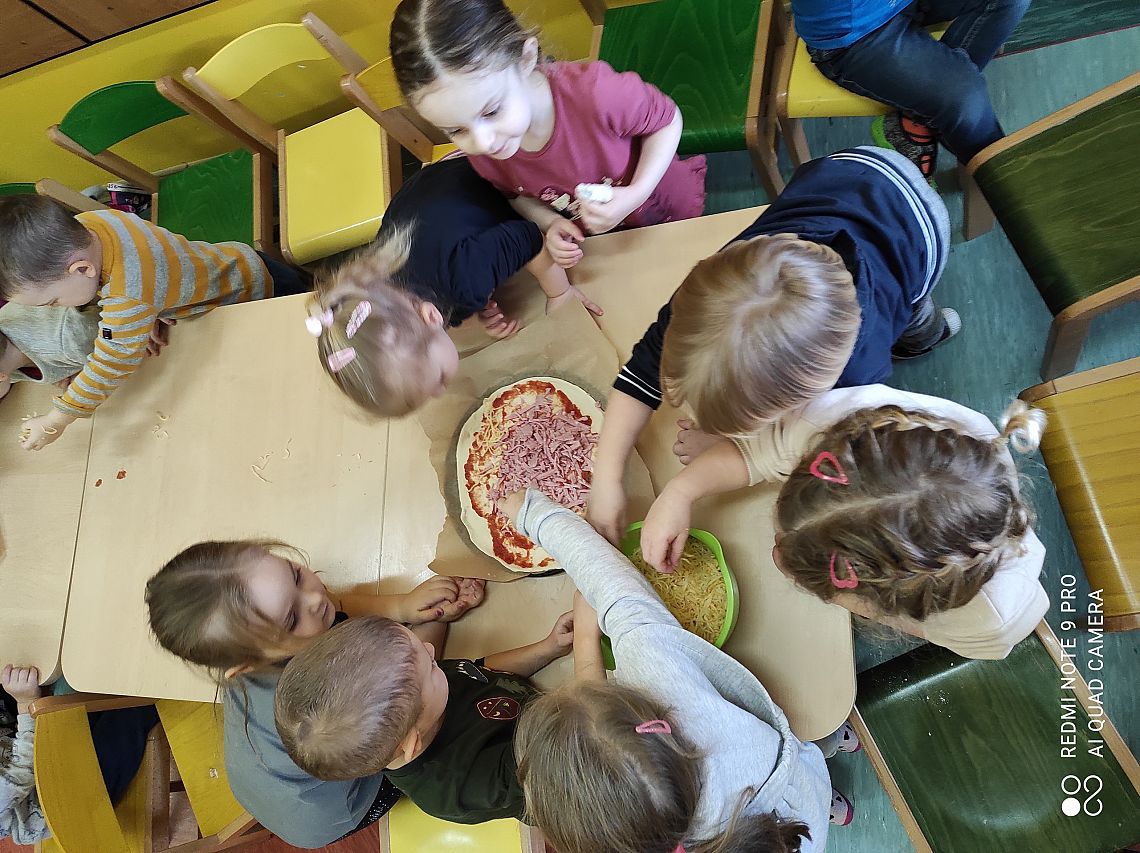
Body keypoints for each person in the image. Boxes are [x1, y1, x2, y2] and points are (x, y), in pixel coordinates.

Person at [588, 146, 959, 545]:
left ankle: (926, 332)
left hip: (920, 230)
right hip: (844, 171)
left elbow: (797, 443)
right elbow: (641, 373)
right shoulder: (710, 301)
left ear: (806, 396)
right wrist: (606, 476)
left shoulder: (859, 378)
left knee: (909, 310)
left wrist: (731, 445)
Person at [499, 488, 834, 853]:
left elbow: (609, 743)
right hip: (800, 793)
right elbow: (611, 582)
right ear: (655, 722)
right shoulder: (664, 680)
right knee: (824, 730)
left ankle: (835, 804)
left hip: (799, 833)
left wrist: (585, 650)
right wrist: (531, 514)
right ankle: (837, 750)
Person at [641, 389, 1049, 660]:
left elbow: (906, 621)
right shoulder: (834, 425)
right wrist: (680, 492)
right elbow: (758, 456)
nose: (777, 552)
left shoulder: (992, 620)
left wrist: (845, 601)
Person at [145, 539, 485, 848]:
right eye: (291, 618)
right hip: (332, 811)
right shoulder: (325, 694)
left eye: (294, 575)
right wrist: (436, 619)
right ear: (246, 664)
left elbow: (334, 606)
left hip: (266, 781)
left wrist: (402, 607)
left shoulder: (263, 636)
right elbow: (409, 692)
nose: (315, 598)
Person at [388, 0, 706, 271]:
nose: (482, 143)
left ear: (525, 58)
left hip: (663, 207)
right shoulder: (487, 148)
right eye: (455, 130)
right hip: (608, 242)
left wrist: (636, 193)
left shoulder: (595, 95)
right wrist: (550, 223)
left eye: (492, 111)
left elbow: (667, 120)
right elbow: (516, 195)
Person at [0, 196, 309, 450]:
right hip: (234, 263)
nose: (57, 309)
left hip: (254, 295)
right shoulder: (90, 225)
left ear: (82, 269)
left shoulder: (130, 294)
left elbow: (112, 360)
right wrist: (146, 311)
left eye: (53, 302)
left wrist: (57, 419)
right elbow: (141, 276)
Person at [274, 610, 574, 823]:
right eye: (430, 665)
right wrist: (586, 653)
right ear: (412, 741)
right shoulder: (461, 785)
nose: (432, 649)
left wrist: (549, 648)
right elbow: (574, 766)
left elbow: (480, 672)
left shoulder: (420, 690)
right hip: (568, 772)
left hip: (547, 716)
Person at [793, 0, 1030, 177]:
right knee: (965, 100)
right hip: (854, 34)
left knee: (959, 98)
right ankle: (1011, 189)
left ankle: (915, 120)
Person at [377, 155, 601, 340]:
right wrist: (478, 300)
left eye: (440, 374)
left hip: (497, 177)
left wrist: (560, 293)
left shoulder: (463, 279)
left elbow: (529, 238)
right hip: (436, 181)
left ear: (432, 317)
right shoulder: (377, 272)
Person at [1, 664, 158, 844]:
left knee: (75, 679)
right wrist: (26, 702)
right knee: (130, 714)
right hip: (71, 795)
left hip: (44, 742)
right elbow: (20, 773)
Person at [0, 303, 100, 402]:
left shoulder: (72, 340)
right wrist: (59, 376)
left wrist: (84, 380)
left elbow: (108, 350)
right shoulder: (8, 367)